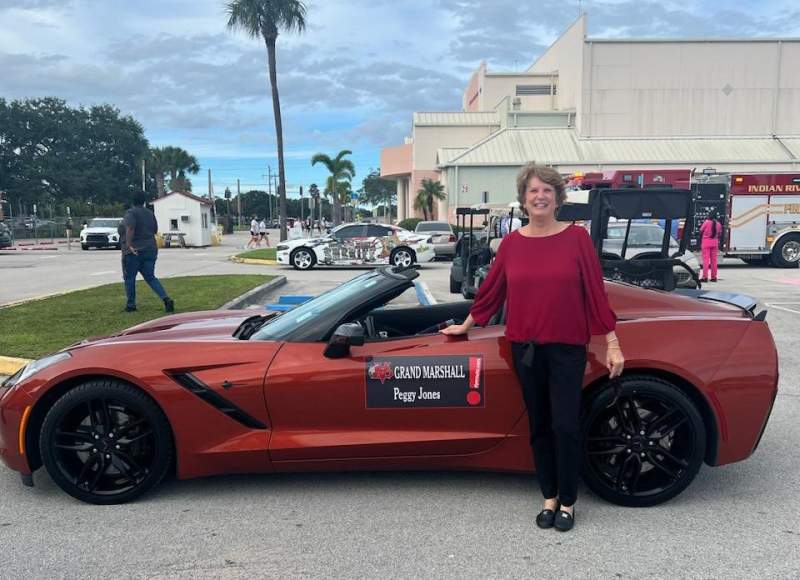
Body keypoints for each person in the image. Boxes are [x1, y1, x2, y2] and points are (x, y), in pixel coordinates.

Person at [441, 163, 624, 532]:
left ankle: (569, 502)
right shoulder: (511, 243)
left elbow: (594, 292)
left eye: (547, 190)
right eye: (532, 191)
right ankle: (548, 497)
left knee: (565, 426)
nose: (540, 196)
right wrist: (466, 325)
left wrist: (612, 341)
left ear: (558, 198)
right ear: (524, 199)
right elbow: (492, 291)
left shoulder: (576, 239)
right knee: (539, 426)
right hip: (525, 348)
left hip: (567, 349)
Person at [120, 191, 174, 313]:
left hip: (135, 251)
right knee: (150, 277)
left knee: (130, 278)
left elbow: (130, 228)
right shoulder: (150, 213)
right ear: (144, 201)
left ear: (132, 201)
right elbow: (155, 230)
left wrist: (129, 245)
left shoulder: (130, 213)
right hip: (150, 249)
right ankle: (166, 299)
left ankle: (131, 305)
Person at [699, 211, 722, 282]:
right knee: (714, 261)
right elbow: (719, 233)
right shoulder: (718, 224)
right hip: (715, 243)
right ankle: (714, 277)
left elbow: (701, 230)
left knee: (706, 261)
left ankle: (705, 277)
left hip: (706, 243)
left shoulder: (706, 222)